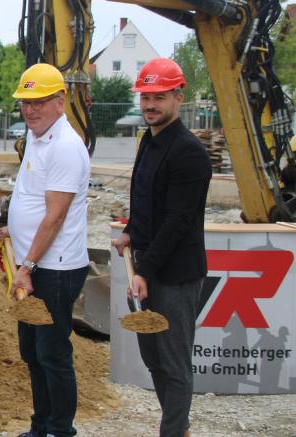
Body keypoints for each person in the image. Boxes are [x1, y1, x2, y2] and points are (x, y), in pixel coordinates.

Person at [112, 57, 211, 437]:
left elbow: (178, 220)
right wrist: (131, 232)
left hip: (174, 274)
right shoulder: (149, 143)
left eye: (159, 97)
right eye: (145, 97)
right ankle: (179, 428)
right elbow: (146, 201)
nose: (150, 104)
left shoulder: (188, 151)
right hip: (149, 267)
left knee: (173, 362)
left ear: (178, 97)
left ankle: (171, 432)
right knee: (152, 357)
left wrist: (145, 272)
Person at [0, 63, 91, 437]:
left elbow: (55, 216)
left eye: (39, 102)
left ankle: (61, 430)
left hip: (55, 268)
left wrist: (27, 265)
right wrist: (12, 229)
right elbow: (33, 200)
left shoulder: (66, 146)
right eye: (25, 103)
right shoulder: (38, 138)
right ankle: (42, 426)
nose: (30, 110)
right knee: (33, 352)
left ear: (60, 100)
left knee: (52, 353)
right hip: (34, 265)